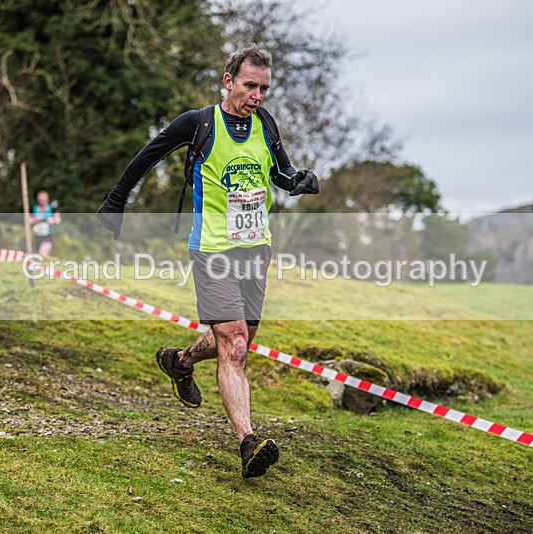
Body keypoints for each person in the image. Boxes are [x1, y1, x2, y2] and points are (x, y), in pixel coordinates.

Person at [97, 44, 320, 478]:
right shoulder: (198, 123)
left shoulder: (265, 123)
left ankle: (180, 362)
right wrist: (116, 200)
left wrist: (300, 180)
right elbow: (148, 155)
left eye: (264, 88)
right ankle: (248, 442)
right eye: (250, 86)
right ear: (228, 81)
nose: (257, 96)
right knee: (234, 345)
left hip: (256, 248)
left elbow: (279, 172)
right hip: (212, 249)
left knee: (239, 340)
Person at [29, 190, 61, 257]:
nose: (42, 201)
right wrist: (35, 220)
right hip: (37, 236)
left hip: (47, 237)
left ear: (47, 199)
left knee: (42, 254)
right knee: (38, 256)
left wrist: (53, 220)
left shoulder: (52, 209)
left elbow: (58, 220)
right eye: (40, 199)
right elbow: (29, 221)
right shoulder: (34, 208)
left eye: (43, 199)